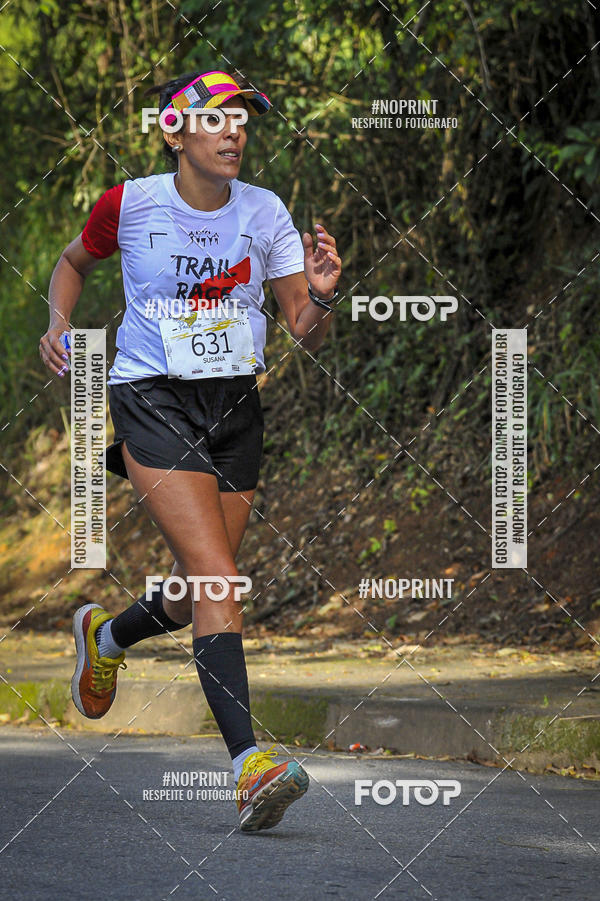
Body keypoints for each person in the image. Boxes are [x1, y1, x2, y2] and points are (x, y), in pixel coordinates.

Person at [39, 69, 342, 832]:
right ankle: (250, 764)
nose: (234, 129)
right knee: (219, 577)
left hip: (236, 407)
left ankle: (104, 635)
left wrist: (325, 294)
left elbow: (302, 325)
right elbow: (72, 262)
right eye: (215, 118)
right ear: (174, 132)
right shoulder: (131, 203)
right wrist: (57, 322)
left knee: (194, 588)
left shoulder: (266, 211)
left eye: (242, 117)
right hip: (151, 397)